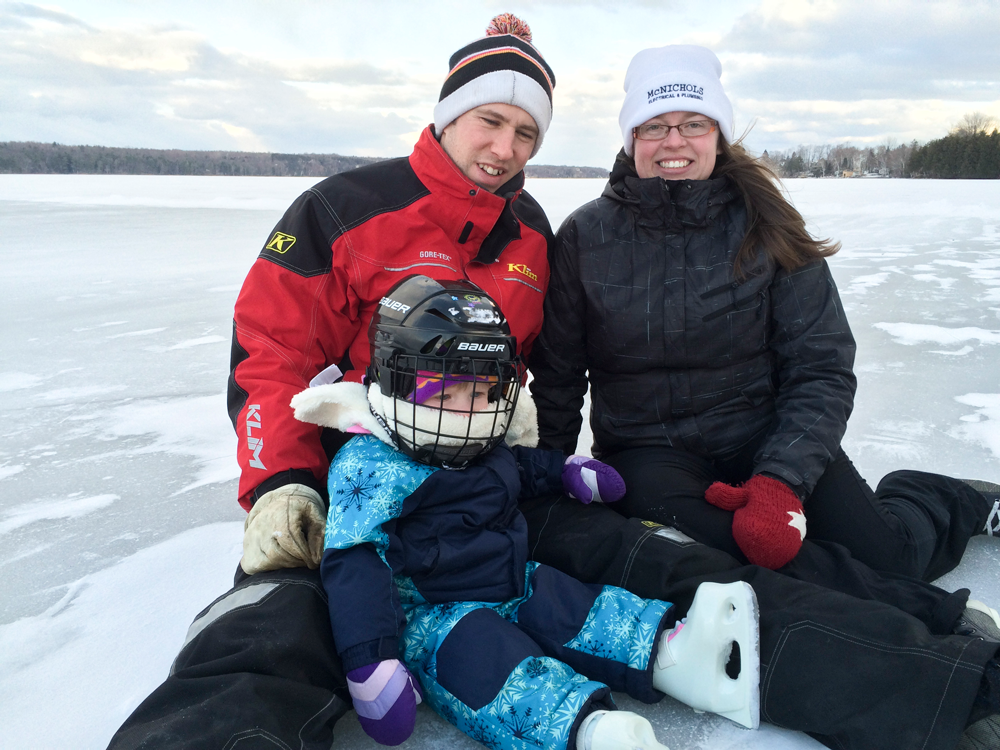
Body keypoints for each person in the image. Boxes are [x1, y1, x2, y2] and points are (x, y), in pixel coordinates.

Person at [105, 26, 1000, 750]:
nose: (504, 148)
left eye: (526, 133)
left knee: (685, 576)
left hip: (495, 481)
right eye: (489, 122)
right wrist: (280, 483)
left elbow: (553, 371)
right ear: (449, 115)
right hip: (353, 497)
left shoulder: (533, 233)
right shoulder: (343, 210)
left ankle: (947, 686)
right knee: (268, 630)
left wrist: (551, 470)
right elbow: (268, 354)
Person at [527, 43, 1000, 581]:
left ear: (718, 136)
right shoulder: (585, 237)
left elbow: (820, 364)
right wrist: (553, 467)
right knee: (739, 558)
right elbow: (560, 374)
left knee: (890, 559)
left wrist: (782, 480)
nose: (674, 141)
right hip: (647, 450)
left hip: (764, 433)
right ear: (632, 138)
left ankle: (939, 500)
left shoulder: (767, 225)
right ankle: (921, 620)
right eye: (653, 126)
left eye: (694, 123)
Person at [290, 274, 761, 750]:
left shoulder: (479, 438)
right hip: (435, 615)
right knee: (494, 664)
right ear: (398, 380)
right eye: (443, 392)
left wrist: (566, 471)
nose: (464, 411)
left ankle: (674, 656)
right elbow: (356, 560)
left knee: (578, 605)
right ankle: (592, 732)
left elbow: (516, 467)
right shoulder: (372, 464)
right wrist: (370, 661)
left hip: (513, 577)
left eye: (478, 394)